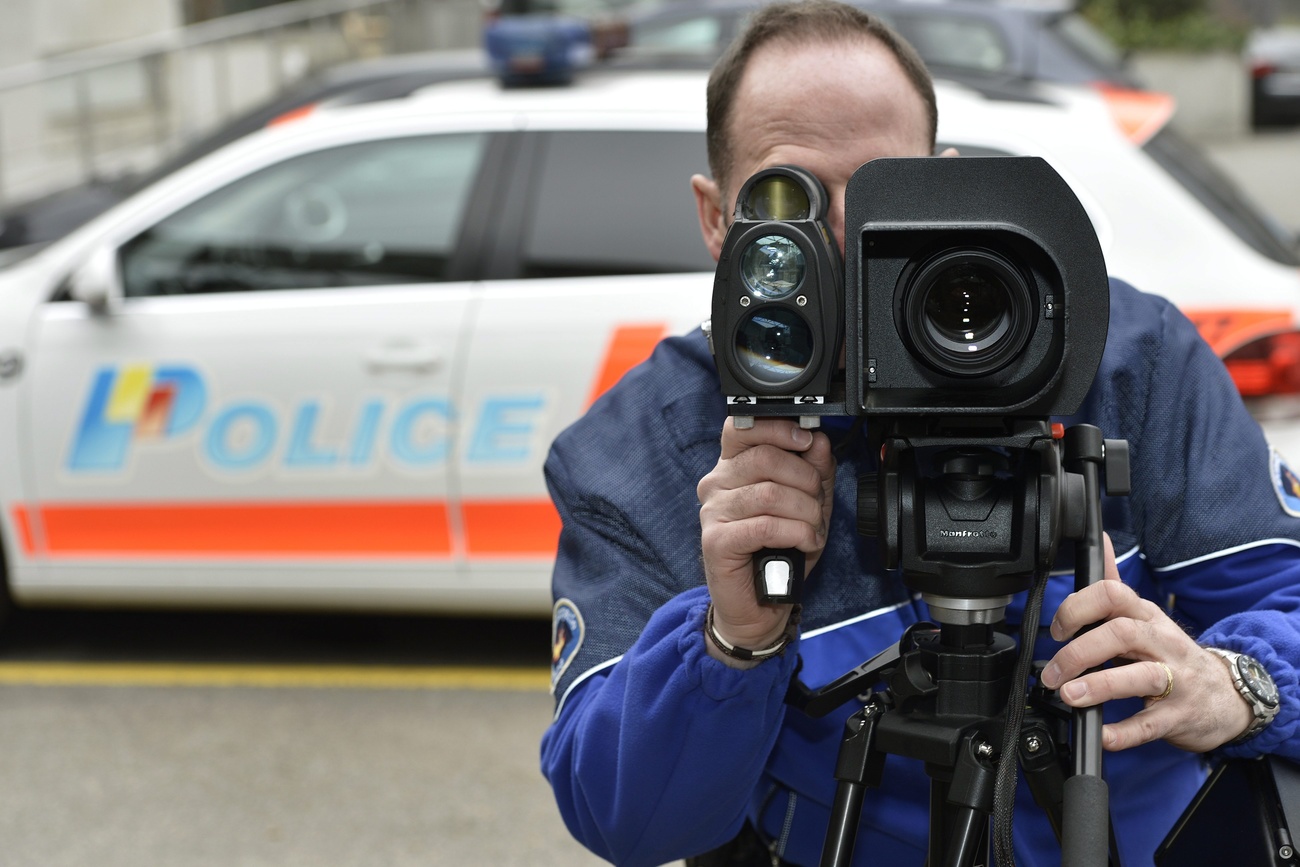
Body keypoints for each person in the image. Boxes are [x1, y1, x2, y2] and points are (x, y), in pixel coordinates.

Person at [540, 2, 1300, 865]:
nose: (843, 235)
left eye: (880, 189)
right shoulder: (641, 453)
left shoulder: (1119, 354)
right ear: (716, 218)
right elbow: (627, 823)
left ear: (943, 179)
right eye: (786, 200)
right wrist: (730, 642)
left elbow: (1291, 597)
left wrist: (1239, 682)